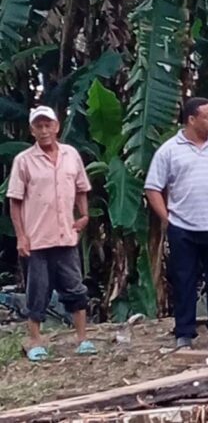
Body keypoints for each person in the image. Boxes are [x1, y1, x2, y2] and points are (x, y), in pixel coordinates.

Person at [145, 97, 208, 350]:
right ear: (191, 119)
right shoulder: (169, 150)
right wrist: (166, 219)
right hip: (184, 228)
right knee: (184, 279)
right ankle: (185, 333)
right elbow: (153, 187)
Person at [8, 105, 96, 361]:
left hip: (66, 237)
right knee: (37, 291)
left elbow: (81, 187)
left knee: (75, 288)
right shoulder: (23, 160)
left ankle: (82, 339)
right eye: (39, 126)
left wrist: (84, 215)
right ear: (32, 130)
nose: (44, 130)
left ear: (57, 127)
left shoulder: (71, 155)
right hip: (37, 240)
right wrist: (21, 237)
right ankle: (36, 341)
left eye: (48, 125)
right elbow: (15, 201)